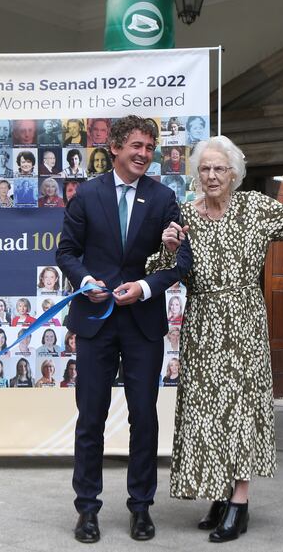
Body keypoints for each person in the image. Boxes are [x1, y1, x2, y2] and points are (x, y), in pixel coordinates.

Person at [149, 135, 283, 543]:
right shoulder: (184, 215)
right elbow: (161, 268)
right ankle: (218, 494)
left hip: (244, 323)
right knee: (206, 411)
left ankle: (239, 500)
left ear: (234, 173)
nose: (212, 175)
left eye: (220, 168)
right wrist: (167, 250)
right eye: (205, 169)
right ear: (196, 174)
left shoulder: (254, 207)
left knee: (240, 410)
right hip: (202, 323)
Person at [56, 115, 193, 543]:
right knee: (90, 417)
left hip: (143, 326)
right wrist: (84, 281)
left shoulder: (165, 198)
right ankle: (87, 510)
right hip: (95, 323)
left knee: (144, 418)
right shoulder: (86, 196)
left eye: (150, 148)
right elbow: (67, 252)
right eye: (136, 145)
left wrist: (147, 288)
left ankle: (141, 508)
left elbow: (180, 262)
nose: (144, 154)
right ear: (114, 147)